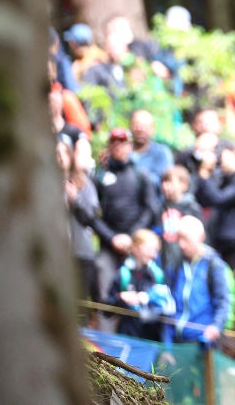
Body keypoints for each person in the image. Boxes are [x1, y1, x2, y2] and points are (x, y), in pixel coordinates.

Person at [194, 139, 235, 364]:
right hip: (220, 246)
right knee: (220, 294)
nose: (219, 159)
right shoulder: (222, 179)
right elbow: (202, 195)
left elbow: (218, 199)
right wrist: (205, 173)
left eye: (222, 154)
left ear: (234, 153)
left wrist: (205, 174)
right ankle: (224, 344)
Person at [91, 127, 161, 330]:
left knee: (142, 291)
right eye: (115, 143)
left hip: (135, 246)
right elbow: (94, 215)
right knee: (104, 279)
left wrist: (131, 238)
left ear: (130, 146)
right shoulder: (101, 177)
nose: (119, 147)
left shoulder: (141, 175)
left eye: (123, 143)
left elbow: (150, 209)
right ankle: (105, 347)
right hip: (109, 243)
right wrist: (112, 238)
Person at [161, 216, 231, 360]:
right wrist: (166, 346)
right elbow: (168, 305)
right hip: (176, 344)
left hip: (201, 345)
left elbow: (223, 302)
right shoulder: (176, 264)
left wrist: (215, 328)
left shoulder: (213, 265)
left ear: (200, 237)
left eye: (185, 239)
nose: (181, 245)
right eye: (179, 239)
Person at [106, 229, 174, 341]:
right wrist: (121, 298)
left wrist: (147, 298)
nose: (153, 255)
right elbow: (106, 311)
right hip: (126, 337)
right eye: (149, 249)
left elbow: (168, 311)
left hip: (151, 339)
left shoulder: (157, 275)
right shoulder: (124, 274)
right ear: (136, 248)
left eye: (156, 250)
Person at [60, 133, 100, 322]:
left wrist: (75, 199)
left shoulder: (85, 184)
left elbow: (91, 218)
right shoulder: (44, 184)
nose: (58, 159)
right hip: (56, 254)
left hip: (81, 254)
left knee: (79, 309)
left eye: (62, 154)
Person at [158, 165, 202, 277]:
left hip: (185, 266)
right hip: (164, 263)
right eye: (163, 182)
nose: (165, 186)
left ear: (184, 185)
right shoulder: (159, 207)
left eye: (170, 182)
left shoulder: (191, 208)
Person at [129, 108, 174, 184]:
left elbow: (164, 181)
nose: (140, 129)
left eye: (145, 126)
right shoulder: (122, 153)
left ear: (153, 130)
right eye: (137, 125)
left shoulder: (162, 153)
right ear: (130, 127)